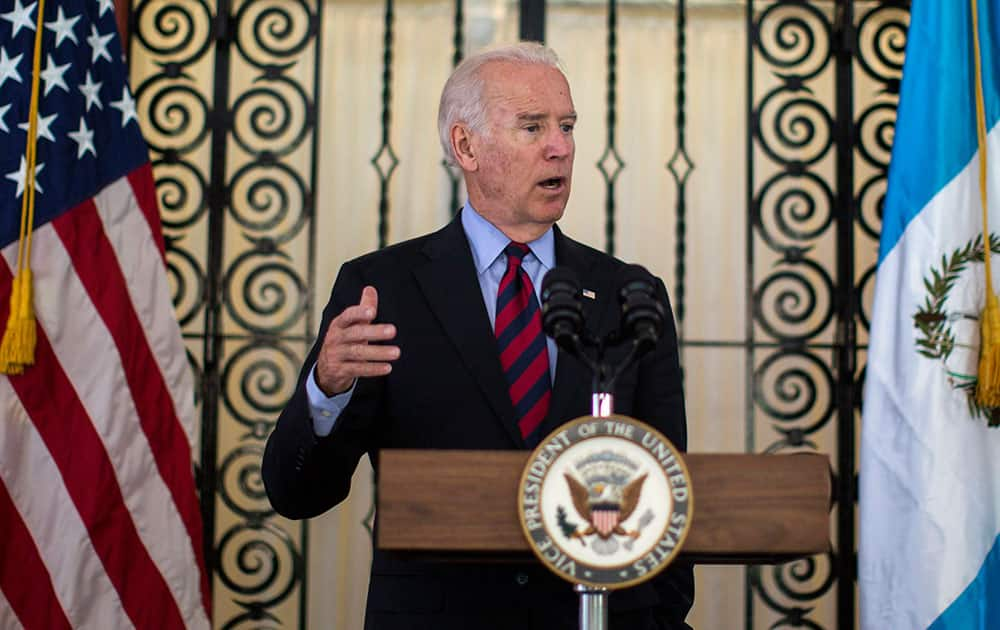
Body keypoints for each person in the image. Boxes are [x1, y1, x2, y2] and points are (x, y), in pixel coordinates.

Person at [262, 42, 693, 629]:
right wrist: (326, 388)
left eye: (567, 126)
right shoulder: (382, 289)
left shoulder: (629, 295)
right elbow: (298, 492)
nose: (560, 146)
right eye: (532, 126)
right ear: (466, 146)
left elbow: (671, 488)